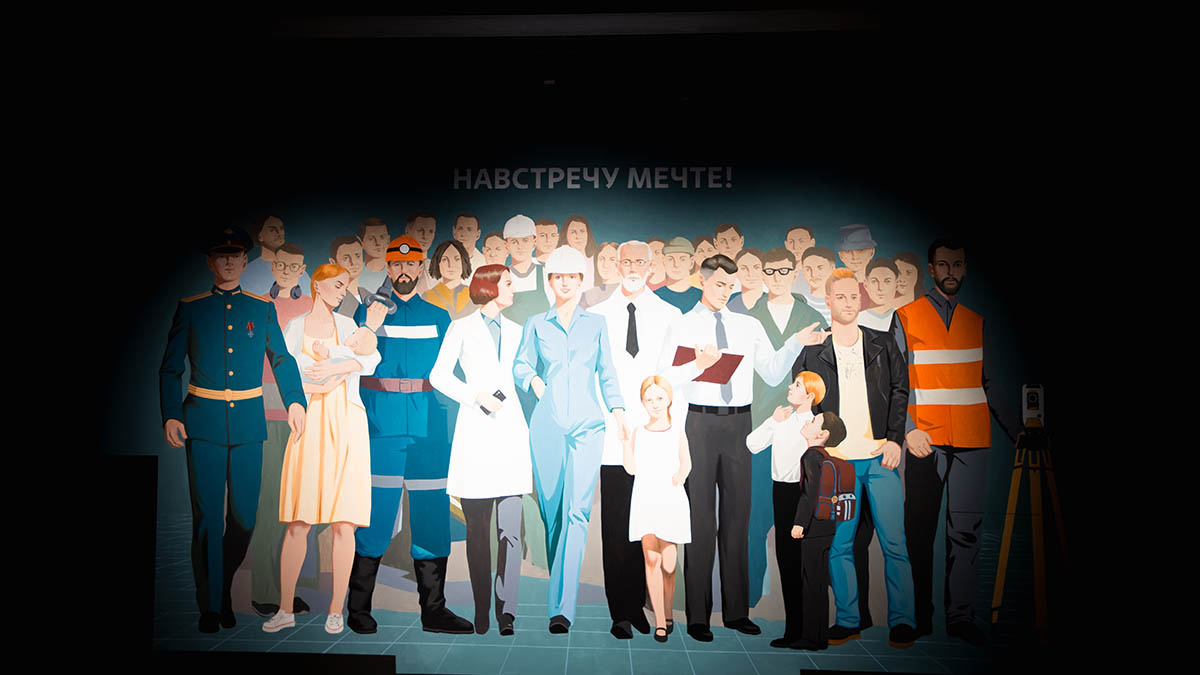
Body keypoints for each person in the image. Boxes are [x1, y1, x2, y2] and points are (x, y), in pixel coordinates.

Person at [657, 254, 828, 643]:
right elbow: (664, 377)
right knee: (700, 520)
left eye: (730, 286)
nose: (726, 291)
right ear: (703, 282)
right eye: (719, 284)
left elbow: (772, 371)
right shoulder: (682, 324)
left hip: (740, 424)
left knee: (738, 519)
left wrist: (795, 343)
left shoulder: (747, 325)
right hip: (699, 423)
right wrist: (698, 365)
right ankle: (698, 617)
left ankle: (736, 613)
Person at [158, 226, 307, 633]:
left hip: (247, 425)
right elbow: (170, 368)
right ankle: (210, 606)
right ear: (211, 262)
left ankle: (220, 588)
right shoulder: (191, 308)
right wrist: (171, 413)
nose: (228, 262)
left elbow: (282, 359)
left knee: (244, 518)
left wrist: (295, 400)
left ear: (244, 261)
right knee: (208, 517)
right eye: (220, 255)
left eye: (235, 255)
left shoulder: (261, 308)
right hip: (202, 422)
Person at [895, 238, 1022, 647]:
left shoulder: (976, 321)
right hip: (925, 440)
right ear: (931, 269)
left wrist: (1017, 431)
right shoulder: (906, 316)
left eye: (958, 265)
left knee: (966, 532)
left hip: (971, 440)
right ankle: (919, 617)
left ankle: (961, 618)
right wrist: (907, 428)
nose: (951, 272)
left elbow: (991, 382)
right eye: (944, 265)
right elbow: (897, 382)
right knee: (919, 532)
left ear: (965, 269)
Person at [347, 234, 473, 636]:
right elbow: (353, 363)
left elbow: (453, 374)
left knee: (432, 517)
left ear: (420, 268)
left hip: (428, 431)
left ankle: (434, 611)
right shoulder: (366, 314)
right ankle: (358, 608)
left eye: (411, 264)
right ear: (388, 268)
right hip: (380, 430)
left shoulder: (438, 317)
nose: (403, 271)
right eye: (396, 264)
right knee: (375, 518)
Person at [791, 268, 918, 649]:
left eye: (853, 296)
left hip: (880, 458)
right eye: (841, 297)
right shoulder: (812, 353)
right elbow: (801, 401)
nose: (849, 303)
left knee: (895, 543)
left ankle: (903, 621)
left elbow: (900, 390)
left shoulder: (883, 343)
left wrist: (895, 439)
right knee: (840, 545)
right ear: (827, 300)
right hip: (839, 465)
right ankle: (848, 620)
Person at [513, 245, 628, 634]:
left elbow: (607, 371)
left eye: (572, 277)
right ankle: (558, 585)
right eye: (558, 277)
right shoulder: (535, 324)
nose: (565, 283)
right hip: (546, 426)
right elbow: (521, 364)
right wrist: (535, 382)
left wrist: (619, 411)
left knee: (577, 513)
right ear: (550, 282)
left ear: (581, 281)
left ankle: (561, 609)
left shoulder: (596, 324)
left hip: (587, 427)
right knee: (553, 515)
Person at [263, 264, 382, 635]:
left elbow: (371, 359)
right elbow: (289, 373)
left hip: (347, 423)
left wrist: (337, 367)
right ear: (317, 285)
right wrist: (330, 376)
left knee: (345, 523)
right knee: (299, 521)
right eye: (337, 285)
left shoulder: (348, 326)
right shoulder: (295, 327)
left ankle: (335, 611)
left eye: (345, 286)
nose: (342, 291)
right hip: (309, 422)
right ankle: (285, 608)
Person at [430, 264, 533, 636]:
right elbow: (438, 375)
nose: (513, 288)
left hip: (511, 435)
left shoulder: (520, 331)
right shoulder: (461, 328)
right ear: (489, 287)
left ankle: (507, 611)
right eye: (508, 283)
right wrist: (475, 396)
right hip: (476, 434)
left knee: (511, 531)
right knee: (477, 530)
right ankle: (481, 609)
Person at [590, 240, 684, 639]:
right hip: (613, 433)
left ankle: (643, 606)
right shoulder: (596, 314)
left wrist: (668, 432)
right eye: (625, 261)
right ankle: (621, 612)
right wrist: (610, 418)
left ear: (651, 266)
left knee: (648, 526)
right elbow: (593, 372)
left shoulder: (669, 314)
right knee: (616, 525)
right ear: (615, 265)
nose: (631, 267)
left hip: (654, 437)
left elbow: (673, 377)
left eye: (639, 262)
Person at [740, 247, 826, 608]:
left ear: (795, 273)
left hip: (803, 432)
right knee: (756, 517)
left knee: (802, 518)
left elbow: (822, 375)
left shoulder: (812, 317)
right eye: (770, 272)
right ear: (763, 275)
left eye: (783, 271)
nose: (776, 278)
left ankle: (803, 604)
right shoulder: (749, 318)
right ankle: (751, 597)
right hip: (762, 423)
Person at [744, 373, 836, 650]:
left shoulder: (817, 425)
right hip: (781, 493)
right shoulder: (781, 419)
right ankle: (794, 630)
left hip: (805, 494)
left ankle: (811, 632)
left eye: (797, 385)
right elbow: (752, 444)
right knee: (787, 562)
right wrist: (773, 421)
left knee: (808, 565)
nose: (790, 387)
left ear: (810, 395)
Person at [248, 242, 315, 619]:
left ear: (303, 268)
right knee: (270, 505)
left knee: (302, 510)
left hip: (307, 416)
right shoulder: (255, 306)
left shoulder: (313, 307)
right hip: (268, 415)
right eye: (281, 265)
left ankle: (288, 588)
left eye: (294, 266)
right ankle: (264, 591)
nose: (287, 271)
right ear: (273, 266)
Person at [623, 376, 691, 643]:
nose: (654, 404)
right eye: (648, 399)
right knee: (651, 560)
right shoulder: (638, 432)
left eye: (659, 398)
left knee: (669, 564)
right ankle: (660, 622)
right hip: (645, 499)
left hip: (670, 500)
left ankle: (668, 610)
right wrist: (625, 443)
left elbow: (686, 463)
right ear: (642, 402)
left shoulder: (677, 431)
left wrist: (680, 476)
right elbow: (630, 468)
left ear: (669, 399)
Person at [787, 411, 848, 651]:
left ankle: (811, 638)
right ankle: (820, 636)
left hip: (813, 528)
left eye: (813, 421)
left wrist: (800, 523)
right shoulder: (826, 457)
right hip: (828, 526)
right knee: (820, 583)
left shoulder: (811, 456)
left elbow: (809, 493)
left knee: (811, 582)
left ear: (823, 434)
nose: (807, 421)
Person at [242, 215, 312, 296]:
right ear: (260, 236)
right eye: (272, 230)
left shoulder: (298, 273)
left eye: (281, 229)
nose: (279, 233)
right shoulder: (249, 272)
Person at [501, 214, 551, 329]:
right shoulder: (500, 278)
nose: (520, 246)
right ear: (506, 245)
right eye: (514, 241)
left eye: (525, 240)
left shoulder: (546, 275)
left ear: (534, 242)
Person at [424, 239, 477, 320]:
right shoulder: (427, 297)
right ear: (437, 263)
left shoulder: (474, 296)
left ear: (464, 262)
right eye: (444, 259)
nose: (451, 265)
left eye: (457, 259)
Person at [655, 236, 702, 313]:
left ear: (691, 262)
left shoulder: (703, 297)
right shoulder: (655, 297)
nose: (676, 264)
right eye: (670, 259)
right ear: (663, 261)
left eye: (683, 259)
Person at [835, 224, 875, 310]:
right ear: (840, 255)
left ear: (872, 252)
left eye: (860, 250)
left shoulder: (882, 289)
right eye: (848, 251)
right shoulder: (834, 288)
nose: (855, 257)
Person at [327, 236, 368, 316]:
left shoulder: (368, 295)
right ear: (333, 263)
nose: (353, 262)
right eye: (346, 258)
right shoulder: (331, 301)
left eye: (358, 256)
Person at [859, 258, 900, 331]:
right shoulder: (857, 320)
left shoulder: (903, 318)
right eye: (874, 281)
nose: (880, 288)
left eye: (887, 281)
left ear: (896, 284)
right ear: (866, 285)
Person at [558, 214, 598, 290]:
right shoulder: (557, 263)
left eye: (582, 231)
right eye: (573, 232)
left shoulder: (597, 262)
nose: (578, 236)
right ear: (565, 235)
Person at [799, 247, 836, 325]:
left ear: (832, 268)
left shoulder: (843, 303)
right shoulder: (799, 304)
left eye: (820, 268)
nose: (814, 274)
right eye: (808, 269)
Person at [579, 240, 620, 309]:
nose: (605, 265)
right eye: (601, 259)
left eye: (612, 259)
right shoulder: (588, 295)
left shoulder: (628, 292)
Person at [405, 212, 439, 295]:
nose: (425, 236)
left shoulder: (439, 270)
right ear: (407, 231)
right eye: (420, 230)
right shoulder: (395, 266)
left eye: (430, 231)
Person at [357, 217, 391, 296]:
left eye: (382, 237)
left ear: (388, 240)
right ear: (360, 242)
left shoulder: (397, 272)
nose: (378, 243)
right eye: (371, 238)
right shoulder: (353, 275)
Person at [727, 248, 766, 313]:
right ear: (736, 272)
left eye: (756, 267)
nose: (750, 274)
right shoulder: (727, 302)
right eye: (743, 268)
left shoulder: (772, 300)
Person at [452, 212, 486, 277]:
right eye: (460, 228)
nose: (464, 234)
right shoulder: (440, 261)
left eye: (470, 229)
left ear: (478, 234)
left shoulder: (485, 263)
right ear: (454, 232)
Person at [784, 226, 816, 294]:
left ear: (812, 243)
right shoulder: (780, 273)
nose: (795, 247)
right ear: (786, 245)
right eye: (791, 242)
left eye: (801, 241)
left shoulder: (820, 274)